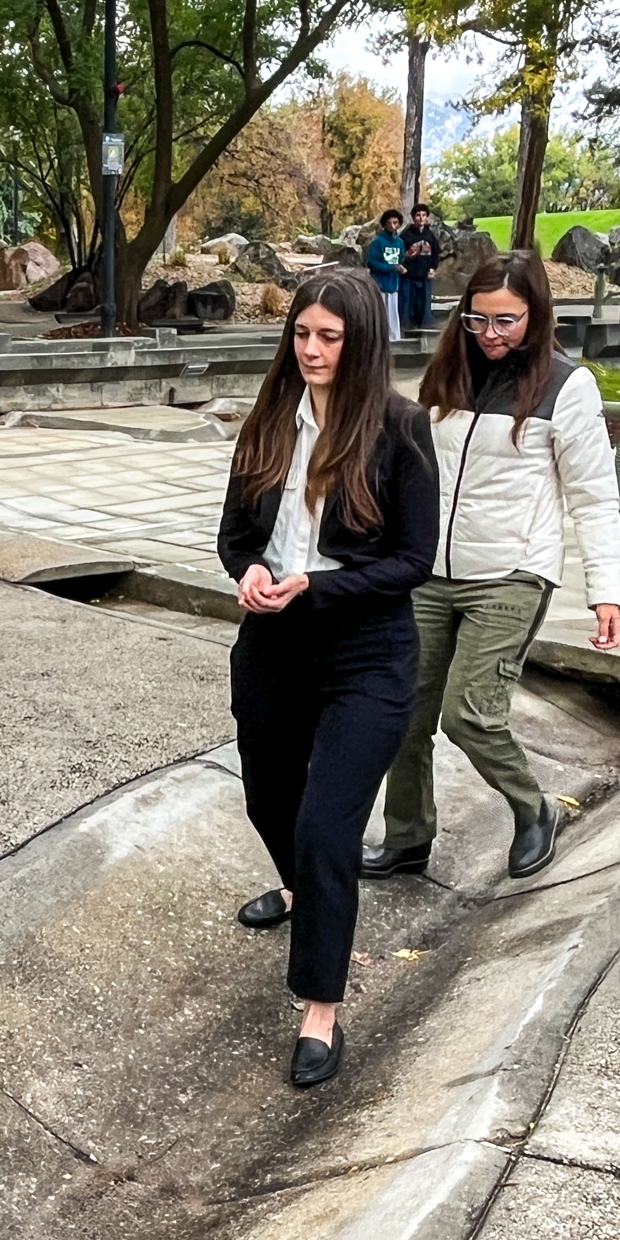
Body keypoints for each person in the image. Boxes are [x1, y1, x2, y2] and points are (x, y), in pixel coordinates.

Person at [217, 268, 439, 1090]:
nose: (311, 351)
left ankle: (320, 1007)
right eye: (302, 335)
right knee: (267, 800)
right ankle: (310, 896)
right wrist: (246, 572)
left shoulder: (400, 428)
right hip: (273, 639)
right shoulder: (272, 419)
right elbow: (234, 534)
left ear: (361, 343)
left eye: (329, 338)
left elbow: (414, 559)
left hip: (366, 650)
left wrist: (321, 584)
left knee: (324, 825)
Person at [369, 252, 620, 882]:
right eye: (477, 320)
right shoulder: (446, 373)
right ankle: (407, 838)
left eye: (506, 321)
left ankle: (534, 808)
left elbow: (593, 495)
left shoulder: (568, 386)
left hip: (513, 572)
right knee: (402, 713)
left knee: (468, 713)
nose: (490, 335)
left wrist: (608, 593)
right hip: (430, 572)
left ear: (536, 316)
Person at [365, 210, 407, 341]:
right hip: (380, 283)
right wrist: (391, 268)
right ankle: (379, 339)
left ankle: (395, 339)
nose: (392, 226)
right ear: (384, 225)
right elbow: (372, 262)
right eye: (389, 223)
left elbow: (400, 259)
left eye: (395, 222)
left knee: (393, 314)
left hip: (394, 284)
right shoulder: (378, 242)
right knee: (380, 313)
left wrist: (406, 259)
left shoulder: (400, 242)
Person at [400, 205, 442, 335]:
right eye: (418, 215)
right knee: (408, 304)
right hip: (409, 276)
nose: (421, 218)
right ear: (413, 217)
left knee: (424, 305)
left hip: (424, 276)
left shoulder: (430, 235)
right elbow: (400, 255)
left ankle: (425, 328)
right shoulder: (406, 235)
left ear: (427, 217)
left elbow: (436, 254)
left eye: (424, 215)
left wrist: (433, 268)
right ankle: (408, 328)